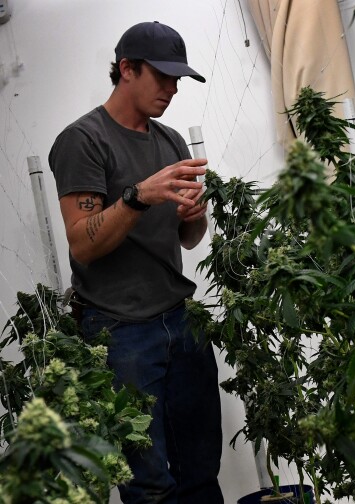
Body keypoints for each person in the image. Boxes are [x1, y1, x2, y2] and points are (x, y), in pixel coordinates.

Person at [48, 21, 224, 504]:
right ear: (126, 69)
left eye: (178, 80)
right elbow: (82, 244)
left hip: (181, 323)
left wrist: (195, 216)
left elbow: (188, 240)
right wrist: (139, 195)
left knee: (201, 473)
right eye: (162, 76)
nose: (172, 89)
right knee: (148, 486)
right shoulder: (83, 140)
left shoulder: (170, 142)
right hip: (121, 333)